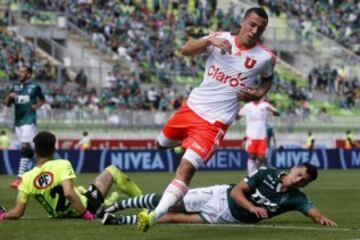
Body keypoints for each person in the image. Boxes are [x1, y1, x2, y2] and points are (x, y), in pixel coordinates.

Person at [137, 7, 277, 232]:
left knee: (185, 170)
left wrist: (260, 93)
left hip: (214, 124)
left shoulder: (265, 57)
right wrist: (208, 43)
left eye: (260, 28)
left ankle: (154, 216)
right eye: (251, 24)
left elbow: (268, 79)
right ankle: (181, 145)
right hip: (190, 109)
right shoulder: (220, 38)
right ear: (242, 21)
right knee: (159, 144)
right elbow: (184, 49)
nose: (254, 31)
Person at [101, 163, 336, 227]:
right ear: (294, 168)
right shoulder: (267, 173)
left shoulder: (297, 198)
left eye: (305, 180)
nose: (300, 179)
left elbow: (312, 211)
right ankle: (119, 205)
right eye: (300, 174)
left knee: (172, 218)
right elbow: (236, 192)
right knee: (169, 202)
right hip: (219, 197)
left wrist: (321, 218)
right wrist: (252, 208)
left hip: (227, 218)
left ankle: (117, 220)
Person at [0, 131, 143, 221]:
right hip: (87, 207)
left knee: (80, 189)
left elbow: (18, 212)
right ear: (54, 149)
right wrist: (86, 214)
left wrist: (3, 216)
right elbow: (68, 193)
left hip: (58, 216)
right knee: (112, 170)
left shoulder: (26, 177)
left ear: (35, 151)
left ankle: (109, 201)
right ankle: (144, 204)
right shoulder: (62, 164)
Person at [5, 65, 46, 189]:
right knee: (32, 150)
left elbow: (43, 100)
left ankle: (19, 178)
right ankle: (45, 168)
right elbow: (7, 104)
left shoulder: (35, 87)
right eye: (19, 71)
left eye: (22, 72)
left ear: (29, 74)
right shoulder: (15, 87)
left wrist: (36, 106)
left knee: (24, 146)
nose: (19, 73)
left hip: (29, 120)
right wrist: (9, 97)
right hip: (18, 122)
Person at [237, 99, 279, 175]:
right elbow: (237, 117)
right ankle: (251, 175)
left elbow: (277, 113)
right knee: (252, 156)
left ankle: (259, 173)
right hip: (251, 136)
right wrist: (237, 108)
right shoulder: (247, 106)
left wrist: (271, 110)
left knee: (261, 158)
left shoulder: (265, 105)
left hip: (262, 136)